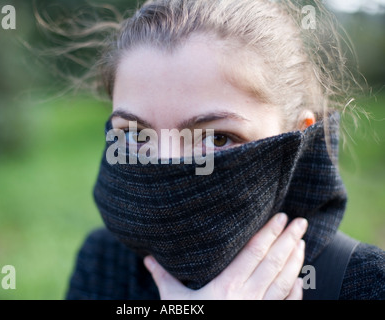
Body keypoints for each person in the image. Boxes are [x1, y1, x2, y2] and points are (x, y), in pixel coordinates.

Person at [45, 0, 385, 299]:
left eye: (217, 138)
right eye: (136, 135)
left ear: (299, 136)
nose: (165, 165)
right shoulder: (103, 262)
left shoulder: (366, 284)